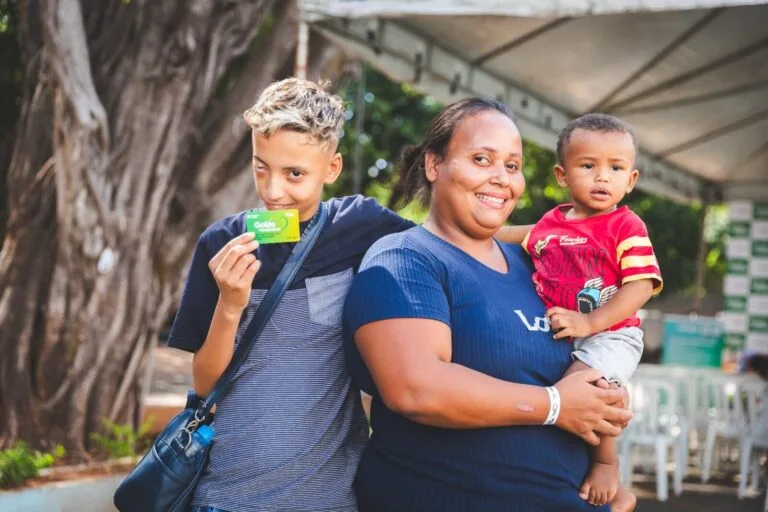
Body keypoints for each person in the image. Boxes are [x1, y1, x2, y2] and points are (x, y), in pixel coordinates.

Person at [343, 98, 634, 512]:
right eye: (482, 159)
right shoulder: (405, 259)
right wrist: (554, 405)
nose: (501, 178)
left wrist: (613, 488)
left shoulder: (539, 265)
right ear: (433, 165)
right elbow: (417, 389)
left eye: (512, 166)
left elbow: (596, 361)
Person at [166, 78, 414, 512]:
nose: (273, 190)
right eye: (261, 167)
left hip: (330, 500)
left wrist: (556, 234)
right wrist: (230, 304)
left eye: (294, 174)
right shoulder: (220, 243)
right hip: (226, 497)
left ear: (331, 169)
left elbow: (452, 242)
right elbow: (205, 384)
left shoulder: (360, 225)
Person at [500, 113, 663, 508]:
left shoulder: (626, 226)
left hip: (611, 332)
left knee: (589, 389)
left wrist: (592, 321)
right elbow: (501, 234)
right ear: (562, 174)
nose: (602, 177)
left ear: (631, 180)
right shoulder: (550, 224)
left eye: (616, 168)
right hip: (564, 333)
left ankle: (607, 463)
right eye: (588, 166)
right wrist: (464, 229)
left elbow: (641, 285)